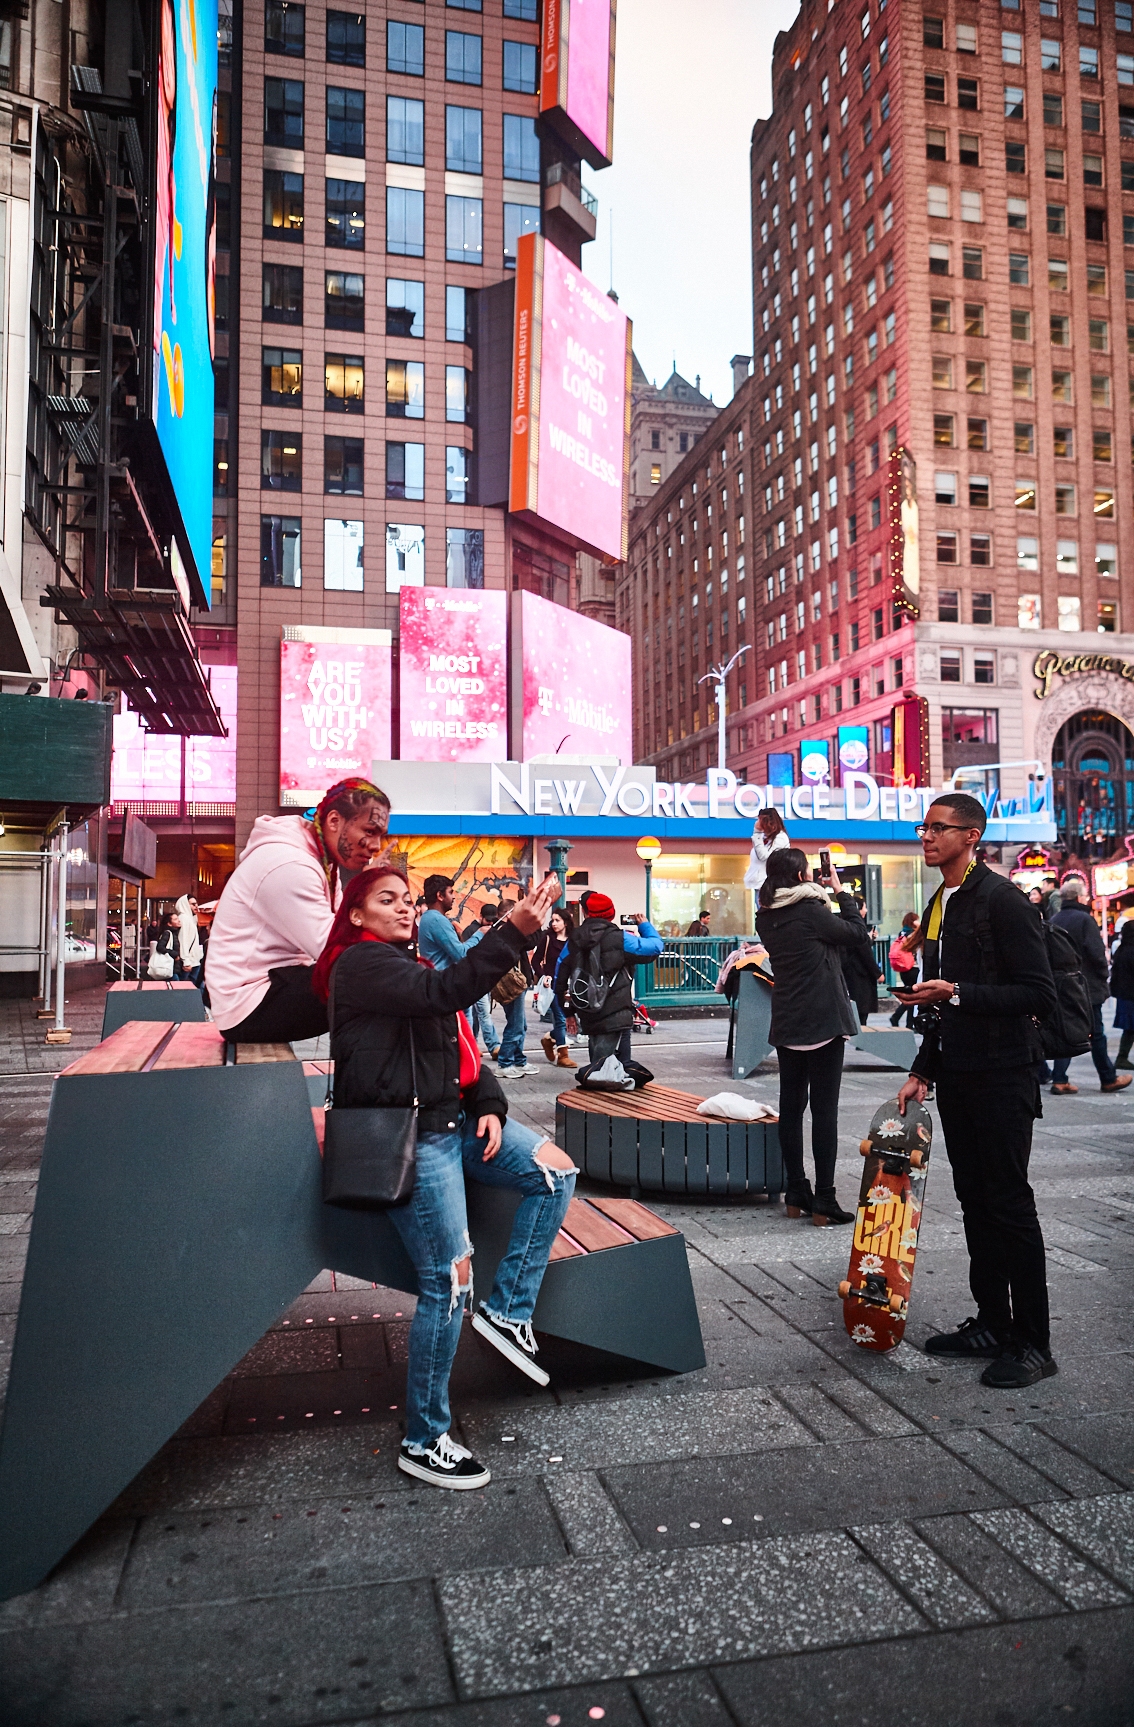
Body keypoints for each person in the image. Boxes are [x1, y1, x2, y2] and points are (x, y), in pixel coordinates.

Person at [314, 866, 574, 1490]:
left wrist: (489, 1103)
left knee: (553, 1172)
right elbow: (447, 995)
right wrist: (513, 930)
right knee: (449, 1282)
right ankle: (425, 1437)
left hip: (455, 1120)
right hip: (413, 1137)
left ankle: (508, 1312)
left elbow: (459, 1040)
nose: (404, 909)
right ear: (354, 913)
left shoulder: (411, 968)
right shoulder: (361, 967)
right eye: (387, 900)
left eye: (407, 899)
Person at [896, 792, 1058, 1390]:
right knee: (974, 1203)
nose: (927, 836)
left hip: (1004, 1076)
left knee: (1009, 1206)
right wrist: (924, 1067)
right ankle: (992, 1321)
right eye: (924, 826)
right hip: (959, 1075)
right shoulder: (942, 901)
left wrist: (957, 992)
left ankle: (1035, 1343)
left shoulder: (1004, 900)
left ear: (972, 836)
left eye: (940, 828)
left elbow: (1037, 994)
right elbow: (945, 1001)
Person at [205, 777, 391, 1043]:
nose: (375, 845)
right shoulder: (289, 864)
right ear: (335, 821)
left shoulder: (322, 861)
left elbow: (341, 924)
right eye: (369, 831)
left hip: (274, 985)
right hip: (249, 1005)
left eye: (380, 835)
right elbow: (334, 949)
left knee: (388, 983)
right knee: (380, 988)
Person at [755, 849, 871, 1225]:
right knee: (824, 1110)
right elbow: (856, 933)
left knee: (791, 1106)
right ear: (802, 873)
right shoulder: (811, 910)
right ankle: (824, 1198)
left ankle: (796, 1191)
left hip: (788, 1018)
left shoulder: (766, 915)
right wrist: (840, 891)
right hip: (822, 1018)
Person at [555, 891, 664, 1072]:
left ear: (585, 912)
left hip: (588, 1009)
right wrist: (644, 925)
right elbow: (655, 947)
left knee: (598, 1059)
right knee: (608, 1070)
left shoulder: (574, 940)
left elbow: (560, 977)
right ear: (611, 914)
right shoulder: (621, 939)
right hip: (617, 1012)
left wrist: (568, 1012)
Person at [1048, 882, 1131, 1095]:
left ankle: (1059, 1079)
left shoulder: (1055, 919)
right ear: (1078, 897)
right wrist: (1104, 976)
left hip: (1061, 984)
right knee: (1097, 1033)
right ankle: (1108, 1078)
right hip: (1086, 985)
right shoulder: (1085, 919)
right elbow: (1095, 953)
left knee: (1065, 1029)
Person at [532, 905, 577, 1068]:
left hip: (567, 985)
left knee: (565, 1018)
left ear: (566, 922)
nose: (554, 923)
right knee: (559, 1017)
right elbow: (535, 960)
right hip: (551, 985)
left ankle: (549, 1038)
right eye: (552, 920)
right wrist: (544, 975)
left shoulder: (573, 941)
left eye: (557, 920)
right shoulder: (547, 938)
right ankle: (563, 1055)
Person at [417, 876, 482, 972]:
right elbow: (461, 955)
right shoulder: (436, 920)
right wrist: (480, 933)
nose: (453, 897)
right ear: (440, 896)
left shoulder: (428, 917)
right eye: (450, 892)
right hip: (441, 981)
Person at [840, 897, 884, 1027]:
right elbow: (865, 954)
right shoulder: (856, 929)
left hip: (850, 973)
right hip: (859, 975)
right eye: (864, 907)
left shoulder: (844, 926)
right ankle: (861, 1038)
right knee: (861, 1010)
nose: (866, 910)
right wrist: (878, 974)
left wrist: (869, 939)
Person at [469, 903, 503, 1059]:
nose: (490, 924)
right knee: (480, 1013)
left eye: (492, 921)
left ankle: (476, 1044)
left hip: (482, 977)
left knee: (479, 1014)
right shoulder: (472, 931)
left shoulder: (490, 930)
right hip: (474, 977)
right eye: (488, 920)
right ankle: (492, 1045)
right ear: (481, 917)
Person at [743, 807, 791, 891]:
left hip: (770, 885)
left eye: (760, 820)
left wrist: (757, 833)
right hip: (760, 884)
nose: (757, 823)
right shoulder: (763, 837)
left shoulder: (780, 838)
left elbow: (765, 857)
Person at [889, 911, 920, 1026]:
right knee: (913, 997)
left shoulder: (902, 933)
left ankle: (903, 1020)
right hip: (912, 968)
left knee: (910, 995)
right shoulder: (913, 934)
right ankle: (904, 1021)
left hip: (904, 969)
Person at [1111, 921, 1134, 1070]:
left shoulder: (1121, 949)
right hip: (1131, 995)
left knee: (1130, 1028)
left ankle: (1122, 1057)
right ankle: (1122, 1057)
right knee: (1131, 1028)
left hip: (1124, 995)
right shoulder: (1131, 951)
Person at [175, 894, 203, 986]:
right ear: (185, 905)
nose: (196, 906)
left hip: (193, 961)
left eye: (196, 904)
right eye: (193, 904)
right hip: (189, 962)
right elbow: (183, 941)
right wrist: (186, 961)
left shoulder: (190, 918)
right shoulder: (184, 918)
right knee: (186, 990)